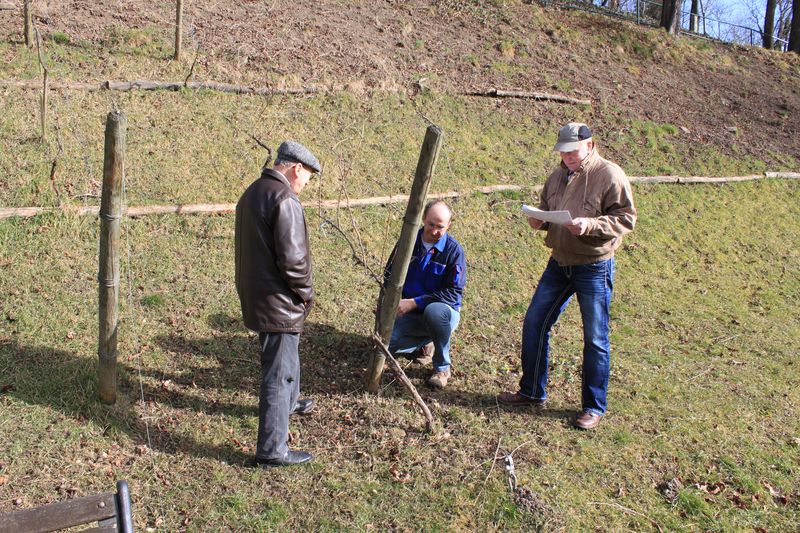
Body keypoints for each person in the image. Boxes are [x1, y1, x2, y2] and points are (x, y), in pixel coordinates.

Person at [498, 123, 636, 430]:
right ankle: (532, 391)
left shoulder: (610, 174)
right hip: (559, 263)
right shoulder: (557, 176)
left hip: (594, 266)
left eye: (572, 152)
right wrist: (539, 220)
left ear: (589, 145)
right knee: (535, 322)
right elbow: (548, 210)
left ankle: (593, 407)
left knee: (595, 338)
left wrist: (591, 226)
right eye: (563, 152)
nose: (568, 158)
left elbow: (626, 218)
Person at [235, 140, 321, 467]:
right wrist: (306, 294)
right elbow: (294, 262)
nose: (304, 187)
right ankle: (272, 450)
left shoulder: (253, 191)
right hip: (279, 300)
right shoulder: (285, 199)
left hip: (259, 293)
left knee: (284, 359)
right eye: (306, 179)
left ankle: (289, 403)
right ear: (296, 168)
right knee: (278, 371)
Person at [384, 200, 467, 389]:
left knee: (434, 313)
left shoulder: (454, 251)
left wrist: (415, 302)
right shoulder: (408, 242)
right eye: (431, 224)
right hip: (407, 312)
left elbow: (454, 293)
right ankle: (424, 344)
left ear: (449, 226)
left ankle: (442, 368)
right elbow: (389, 274)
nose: (434, 231)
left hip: (442, 313)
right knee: (386, 344)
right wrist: (389, 305)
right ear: (423, 219)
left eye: (440, 227)